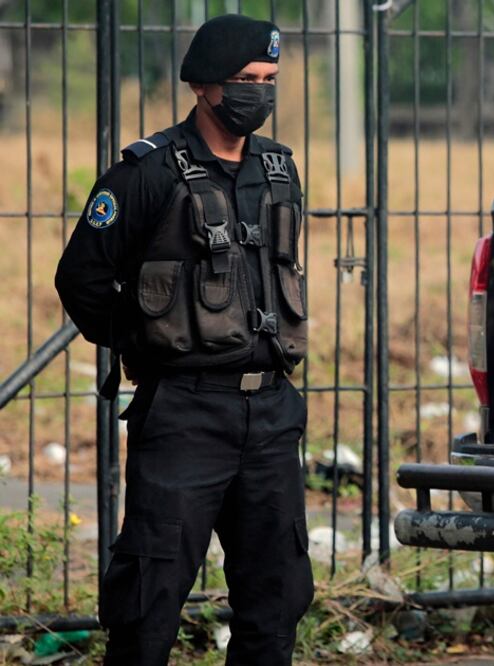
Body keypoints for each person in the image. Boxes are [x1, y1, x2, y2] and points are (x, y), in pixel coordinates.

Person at [55, 14, 312, 665]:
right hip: (185, 414)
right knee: (150, 598)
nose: (259, 91)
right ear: (203, 86)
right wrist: (141, 345)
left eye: (269, 79)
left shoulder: (280, 171)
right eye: (244, 80)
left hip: (273, 414)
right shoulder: (147, 174)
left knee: (276, 599)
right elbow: (82, 278)